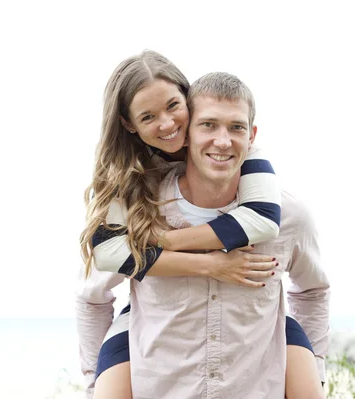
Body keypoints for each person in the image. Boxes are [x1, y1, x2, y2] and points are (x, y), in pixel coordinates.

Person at [76, 51, 328, 398]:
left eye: (235, 128)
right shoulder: (135, 200)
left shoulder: (283, 207)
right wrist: (93, 382)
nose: (167, 125)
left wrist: (317, 366)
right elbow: (95, 286)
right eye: (208, 125)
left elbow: (309, 284)